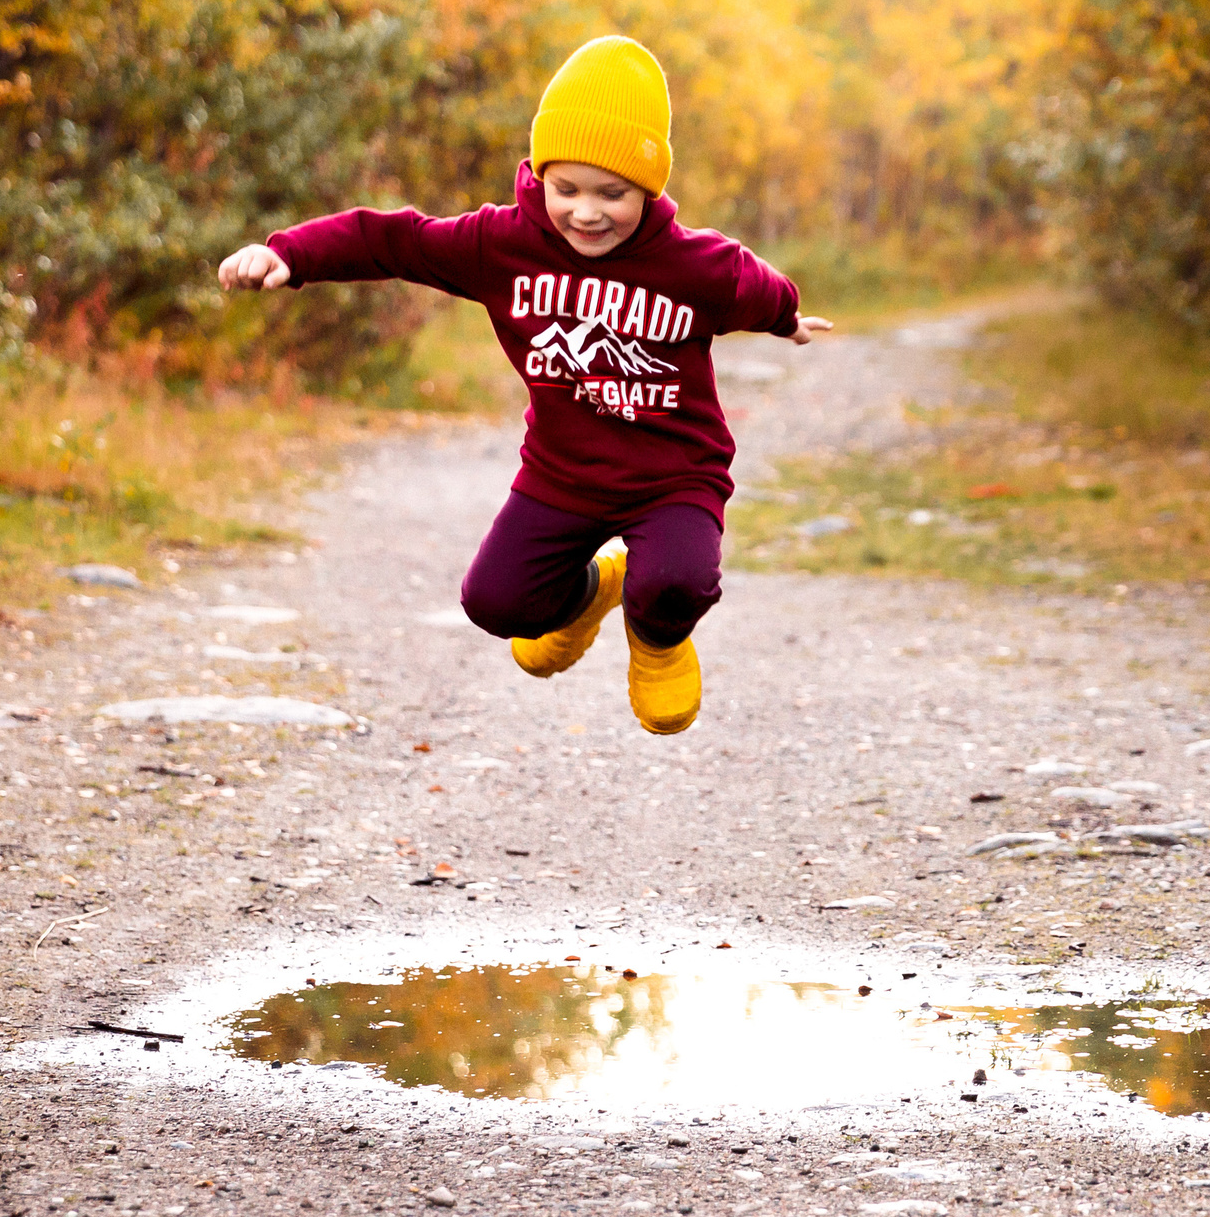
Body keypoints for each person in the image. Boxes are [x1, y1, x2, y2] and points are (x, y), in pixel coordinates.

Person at [217, 36, 831, 734]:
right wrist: (287, 253)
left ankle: (657, 641)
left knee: (673, 582)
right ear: (540, 176)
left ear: (650, 188)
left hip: (674, 477)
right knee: (496, 604)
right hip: (562, 476)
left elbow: (759, 289)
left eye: (613, 193)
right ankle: (594, 589)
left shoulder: (696, 265)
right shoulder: (500, 245)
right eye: (566, 189)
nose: (587, 213)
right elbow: (395, 240)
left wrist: (787, 318)